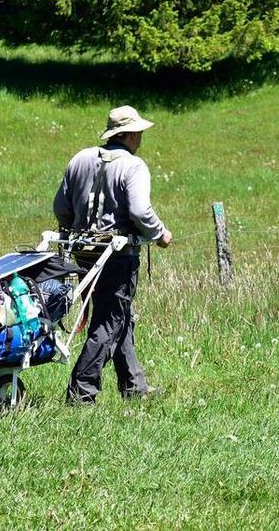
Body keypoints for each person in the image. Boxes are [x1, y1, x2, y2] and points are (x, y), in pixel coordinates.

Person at [54, 105, 174, 405]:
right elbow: (139, 211)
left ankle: (134, 386)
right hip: (117, 254)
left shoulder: (80, 158)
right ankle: (82, 390)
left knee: (119, 316)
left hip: (83, 252)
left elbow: (61, 208)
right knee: (110, 320)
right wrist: (159, 234)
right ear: (131, 135)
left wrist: (77, 229)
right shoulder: (133, 166)